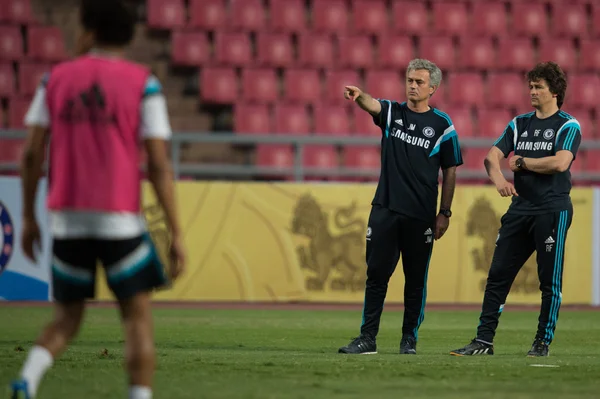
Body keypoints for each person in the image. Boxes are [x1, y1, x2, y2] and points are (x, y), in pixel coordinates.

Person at [10, 0, 186, 398]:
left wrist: (28, 217)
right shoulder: (144, 83)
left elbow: (32, 155)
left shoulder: (54, 79)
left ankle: (28, 379)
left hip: (67, 219)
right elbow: (158, 164)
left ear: (87, 30)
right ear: (130, 35)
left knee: (67, 318)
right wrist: (176, 232)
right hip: (119, 219)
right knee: (137, 318)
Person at [450, 62, 580, 357]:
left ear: (555, 92)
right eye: (531, 86)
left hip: (552, 209)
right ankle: (483, 341)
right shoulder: (519, 124)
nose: (532, 92)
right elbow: (491, 157)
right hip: (520, 209)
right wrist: (499, 181)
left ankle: (541, 342)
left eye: (539, 87)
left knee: (549, 281)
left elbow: (561, 162)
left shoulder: (568, 125)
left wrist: (522, 163)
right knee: (497, 274)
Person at [338, 59, 463, 355]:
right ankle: (367, 338)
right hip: (385, 209)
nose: (413, 86)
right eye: (409, 80)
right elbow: (373, 105)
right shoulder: (394, 113)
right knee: (376, 276)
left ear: (433, 88)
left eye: (419, 82)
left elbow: (451, 169)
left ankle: (409, 339)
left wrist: (444, 212)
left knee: (415, 282)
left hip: (420, 216)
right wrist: (360, 97)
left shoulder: (443, 125)